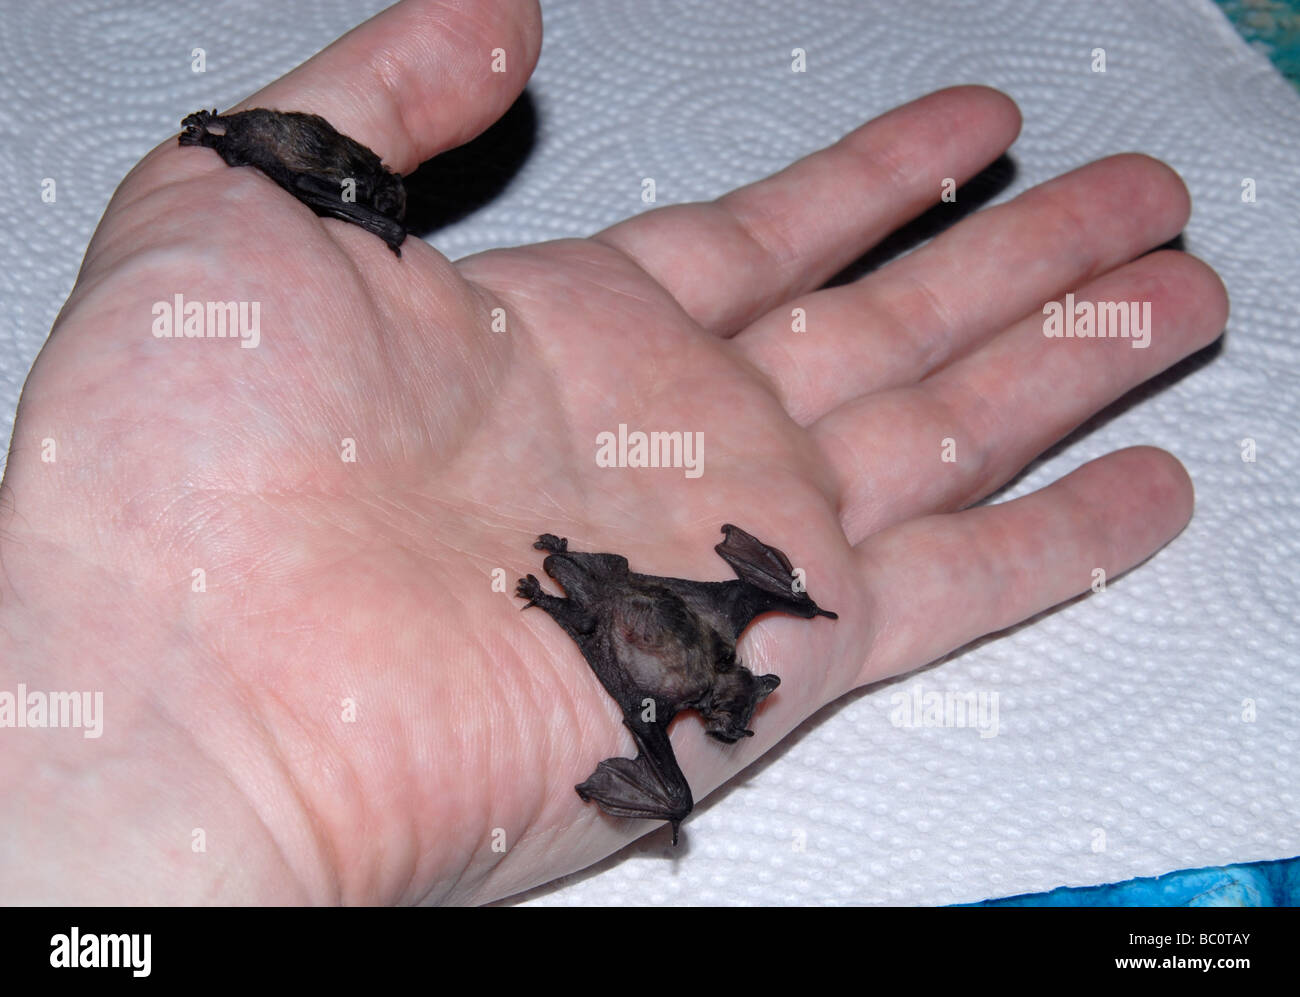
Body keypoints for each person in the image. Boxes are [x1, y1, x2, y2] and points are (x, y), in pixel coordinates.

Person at [0, 0, 1227, 905]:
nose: (736, 707)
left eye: (733, 703)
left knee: (655, 675)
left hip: (605, 596)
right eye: (738, 702)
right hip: (607, 590)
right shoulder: (717, 635)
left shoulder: (692, 661)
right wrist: (211, 750)